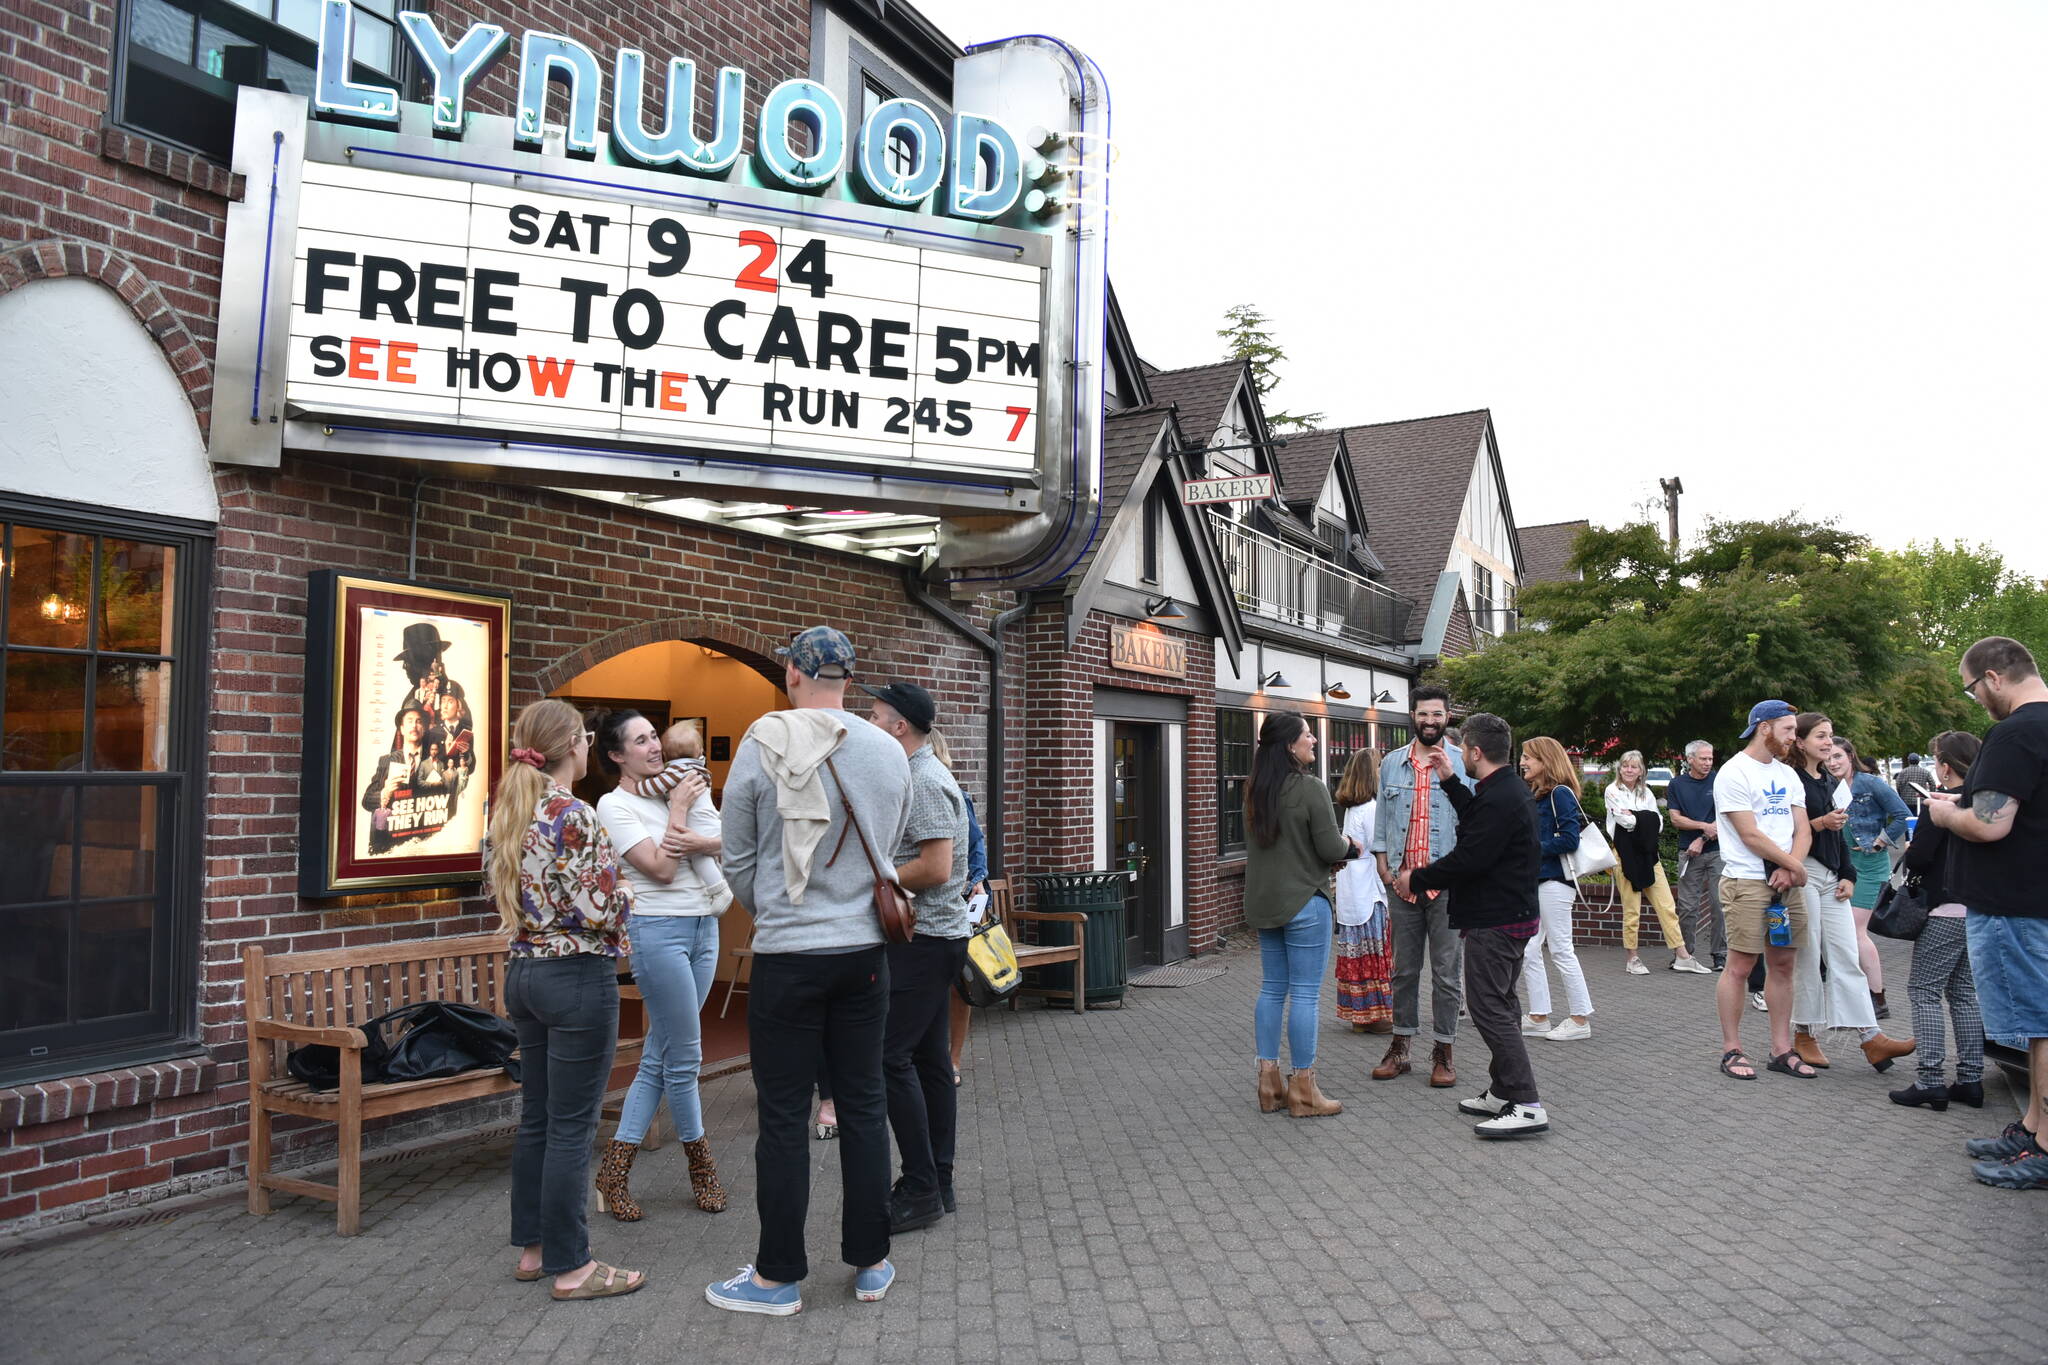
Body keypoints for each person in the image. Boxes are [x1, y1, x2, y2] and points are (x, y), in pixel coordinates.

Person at [707, 625, 911, 1313]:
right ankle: (872, 1262)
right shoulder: (888, 749)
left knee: (785, 1114)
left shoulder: (762, 743)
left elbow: (736, 853)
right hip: (865, 953)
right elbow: (893, 838)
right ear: (848, 677)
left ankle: (778, 1276)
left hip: (789, 954)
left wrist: (773, 910)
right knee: (862, 1103)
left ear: (793, 672)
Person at [491, 699, 645, 1301]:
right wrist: (628, 890)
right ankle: (573, 1266)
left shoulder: (510, 810)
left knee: (539, 1119)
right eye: (583, 734)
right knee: (572, 1129)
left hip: (525, 973)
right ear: (572, 746)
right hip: (577, 978)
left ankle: (534, 1249)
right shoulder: (572, 813)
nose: (587, 742)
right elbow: (597, 909)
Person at [1922, 637, 2048, 1191]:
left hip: (2016, 907)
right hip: (2033, 900)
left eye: (1972, 689)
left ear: (1994, 678)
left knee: (2041, 1029)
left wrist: (1948, 815)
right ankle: (2032, 1128)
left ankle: (2044, 1149)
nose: (1976, 700)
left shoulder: (2016, 732)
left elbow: (1992, 823)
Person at [590, 709, 726, 1221]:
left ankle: (613, 1173)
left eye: (654, 737)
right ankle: (702, 1167)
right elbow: (664, 870)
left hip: (705, 927)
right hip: (658, 932)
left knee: (660, 1054)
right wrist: (679, 811)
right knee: (685, 1057)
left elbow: (728, 841)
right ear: (616, 755)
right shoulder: (613, 805)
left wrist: (693, 819)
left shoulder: (685, 786)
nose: (654, 747)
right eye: (640, 741)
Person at [1394, 713, 1549, 1138]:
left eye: (1463, 750)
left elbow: (1470, 858)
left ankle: (1527, 1102)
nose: (1459, 755)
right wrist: (1449, 780)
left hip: (1496, 920)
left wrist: (1416, 877)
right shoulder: (1503, 790)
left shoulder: (1502, 797)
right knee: (1501, 1003)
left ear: (1476, 752)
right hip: (1509, 914)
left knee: (1489, 1009)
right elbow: (1478, 821)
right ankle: (1503, 1091)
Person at [860, 680, 974, 1233]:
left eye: (876, 716)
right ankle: (938, 1180)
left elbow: (936, 868)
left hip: (923, 942)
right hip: (931, 941)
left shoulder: (924, 779)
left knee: (888, 1059)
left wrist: (877, 880)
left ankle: (922, 1186)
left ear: (899, 726)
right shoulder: (918, 774)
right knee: (929, 1063)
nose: (869, 721)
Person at [1245, 711, 1358, 1117]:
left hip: (1265, 902)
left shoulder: (1255, 790)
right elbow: (1329, 847)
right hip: (1305, 903)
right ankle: (1304, 1090)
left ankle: (1268, 1083)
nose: (1314, 740)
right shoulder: (1309, 787)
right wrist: (1351, 848)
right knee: (1306, 994)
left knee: (1272, 989)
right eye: (1308, 735)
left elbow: (1280, 845)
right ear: (1290, 745)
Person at [1785, 713, 1912, 1073]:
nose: (1828, 742)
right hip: (1803, 871)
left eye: (1831, 736)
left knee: (1845, 953)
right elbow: (1781, 832)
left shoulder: (1828, 779)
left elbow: (1840, 834)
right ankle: (1804, 1032)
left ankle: (1871, 1037)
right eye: (1821, 736)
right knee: (1808, 955)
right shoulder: (1790, 779)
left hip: (1831, 875)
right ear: (1801, 742)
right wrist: (1819, 823)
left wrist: (1848, 873)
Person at [1712, 700, 1814, 1081]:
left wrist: (1791, 869)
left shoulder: (1788, 775)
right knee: (1740, 966)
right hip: (1747, 882)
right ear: (1764, 728)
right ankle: (1731, 1049)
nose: (1794, 737)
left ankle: (1780, 1049)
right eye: (1788, 730)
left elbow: (1802, 830)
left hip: (1785, 884)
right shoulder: (1733, 773)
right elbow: (1749, 834)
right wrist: (1795, 867)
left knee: (1784, 964)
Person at [1371, 685, 1467, 1088]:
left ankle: (1443, 1051)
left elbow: (1475, 821)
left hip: (1447, 886)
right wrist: (1382, 866)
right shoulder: (1392, 763)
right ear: (1412, 715)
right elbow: (1381, 820)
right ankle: (1400, 1047)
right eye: (1423, 714)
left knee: (1447, 973)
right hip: (1403, 885)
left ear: (1448, 718)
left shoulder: (1463, 763)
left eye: (1437, 715)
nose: (1430, 721)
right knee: (1404, 971)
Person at [1892, 730, 1986, 1112]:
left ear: (1944, 767)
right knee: (1964, 995)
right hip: (1976, 909)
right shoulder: (1986, 803)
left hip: (1943, 908)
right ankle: (1971, 1079)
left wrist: (1914, 849)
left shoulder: (1939, 805)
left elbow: (1918, 860)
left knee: (1924, 992)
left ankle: (1930, 1079)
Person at [1517, 736, 1594, 1040]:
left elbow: (1570, 840)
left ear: (1545, 760)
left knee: (1562, 949)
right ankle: (1539, 1016)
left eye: (1528, 757)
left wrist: (1529, 847)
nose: (1523, 761)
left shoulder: (1559, 793)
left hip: (1555, 882)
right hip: (1540, 880)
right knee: (1530, 949)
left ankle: (1579, 1020)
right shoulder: (1538, 795)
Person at [1606, 752, 1710, 975]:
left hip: (1648, 853)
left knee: (1666, 905)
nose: (1629, 770)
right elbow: (1625, 821)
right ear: (1620, 768)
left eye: (1634, 766)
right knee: (1631, 909)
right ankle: (1632, 958)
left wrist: (1638, 817)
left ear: (1641, 770)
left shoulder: (1647, 793)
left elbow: (1659, 823)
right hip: (1624, 854)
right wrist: (1644, 818)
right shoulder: (1612, 790)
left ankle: (1683, 956)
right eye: (1625, 766)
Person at [1831, 735, 1912, 1017]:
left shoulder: (1871, 783)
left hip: (1868, 865)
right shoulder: (1827, 785)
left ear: (1850, 756)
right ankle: (1853, 994)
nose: (1832, 762)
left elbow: (1901, 814)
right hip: (1839, 865)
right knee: (1841, 932)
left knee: (1855, 931)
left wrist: (1879, 841)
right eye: (1828, 757)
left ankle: (1878, 998)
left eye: (1838, 756)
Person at [933, 729, 990, 1088]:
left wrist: (976, 885)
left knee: (959, 986)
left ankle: (952, 1058)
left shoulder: (956, 795)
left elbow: (976, 844)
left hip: (957, 904)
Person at [633, 719, 736, 913]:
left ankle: (718, 889)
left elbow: (654, 787)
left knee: (698, 856)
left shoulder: (677, 770)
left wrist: (635, 787)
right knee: (708, 858)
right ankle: (721, 883)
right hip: (710, 820)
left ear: (665, 754)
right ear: (699, 752)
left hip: (700, 824)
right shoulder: (698, 768)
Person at [1331, 750, 1392, 1034]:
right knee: (1374, 951)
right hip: (1369, 889)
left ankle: (1359, 1014)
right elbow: (1380, 846)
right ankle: (1375, 1014)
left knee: (1356, 951)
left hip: (1352, 888)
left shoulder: (1353, 808)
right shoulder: (1370, 809)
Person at [1666, 740, 1726, 970]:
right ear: (1689, 759)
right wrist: (1703, 827)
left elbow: (1725, 817)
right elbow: (1675, 818)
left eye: (1710, 758)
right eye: (1703, 759)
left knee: (1719, 904)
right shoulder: (1677, 785)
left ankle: (1719, 954)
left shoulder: (1719, 780)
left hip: (1717, 852)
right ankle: (1685, 954)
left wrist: (1702, 838)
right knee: (1687, 907)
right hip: (1688, 853)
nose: (1708, 763)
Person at [1895, 752, 1933, 816]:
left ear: (1909, 761)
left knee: (1909, 819)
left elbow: (1898, 785)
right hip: (1921, 801)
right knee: (1919, 820)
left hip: (1906, 801)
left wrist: (1901, 795)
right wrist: (1930, 795)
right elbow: (1932, 783)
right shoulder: (1925, 772)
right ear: (1918, 761)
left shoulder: (1902, 772)